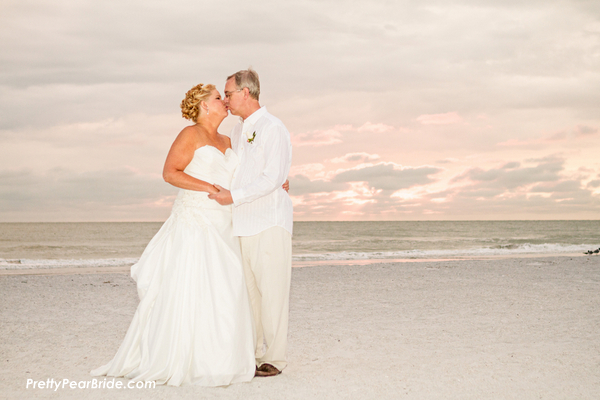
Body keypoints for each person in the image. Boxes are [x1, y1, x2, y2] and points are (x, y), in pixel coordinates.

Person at [90, 84, 256, 386]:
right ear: (205, 106)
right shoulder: (189, 135)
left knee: (226, 288)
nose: (224, 101)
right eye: (218, 98)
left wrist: (272, 183)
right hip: (195, 221)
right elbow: (171, 173)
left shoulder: (227, 138)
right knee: (195, 288)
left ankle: (221, 359)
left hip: (224, 223)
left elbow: (241, 177)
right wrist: (211, 189)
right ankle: (187, 360)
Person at [209, 68, 293, 377]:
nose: (226, 100)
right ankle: (254, 355)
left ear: (246, 93)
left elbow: (273, 176)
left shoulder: (273, 128)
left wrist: (234, 196)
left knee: (273, 293)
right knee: (251, 296)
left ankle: (274, 358)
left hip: (268, 220)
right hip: (242, 223)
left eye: (228, 93)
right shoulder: (237, 131)